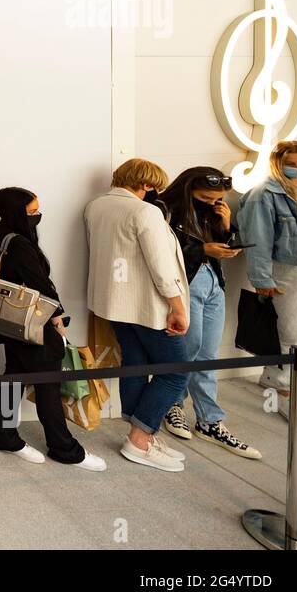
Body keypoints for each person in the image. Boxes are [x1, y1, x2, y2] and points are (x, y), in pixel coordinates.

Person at [0, 188, 106, 471]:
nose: (38, 216)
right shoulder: (21, 245)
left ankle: (4, 434)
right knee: (48, 384)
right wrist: (57, 318)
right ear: (17, 212)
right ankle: (64, 448)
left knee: (13, 376)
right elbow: (40, 284)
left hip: (10, 322)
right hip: (34, 322)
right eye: (32, 212)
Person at [84, 159, 191, 472]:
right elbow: (161, 265)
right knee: (175, 371)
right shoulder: (145, 212)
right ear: (145, 184)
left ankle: (139, 431)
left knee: (135, 363)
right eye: (152, 185)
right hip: (147, 305)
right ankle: (140, 439)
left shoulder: (95, 206)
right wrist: (177, 306)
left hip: (114, 304)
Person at [156, 168, 261, 457]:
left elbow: (220, 244)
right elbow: (162, 252)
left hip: (214, 283)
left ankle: (210, 421)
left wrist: (226, 226)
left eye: (216, 198)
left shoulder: (211, 211)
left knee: (208, 355)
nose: (210, 201)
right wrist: (203, 249)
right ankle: (173, 406)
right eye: (205, 197)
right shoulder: (163, 210)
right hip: (185, 286)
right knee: (187, 351)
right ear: (187, 189)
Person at [239, 141, 297, 435]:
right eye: (294, 162)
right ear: (279, 162)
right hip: (283, 268)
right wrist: (262, 279)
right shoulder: (264, 194)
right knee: (289, 334)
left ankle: (276, 377)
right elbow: (257, 238)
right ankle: (286, 393)